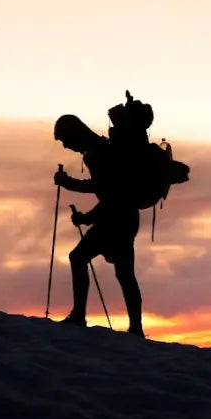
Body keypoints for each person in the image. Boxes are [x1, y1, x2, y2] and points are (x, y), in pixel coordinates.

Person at [52, 112, 145, 336]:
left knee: (79, 258)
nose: (65, 146)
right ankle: (136, 328)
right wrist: (87, 218)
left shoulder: (96, 154)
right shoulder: (101, 149)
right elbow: (110, 194)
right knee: (124, 273)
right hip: (126, 218)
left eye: (65, 140)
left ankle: (79, 316)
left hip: (115, 220)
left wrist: (69, 184)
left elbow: (106, 191)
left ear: (74, 135)